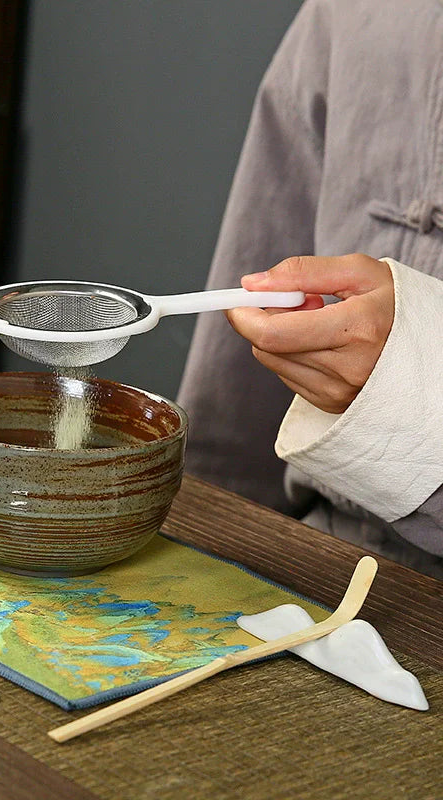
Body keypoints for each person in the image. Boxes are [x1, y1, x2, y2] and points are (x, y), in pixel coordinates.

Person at [175, 0, 443, 578]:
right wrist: (195, 533)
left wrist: (417, 380)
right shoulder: (348, 14)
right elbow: (268, 228)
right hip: (319, 560)